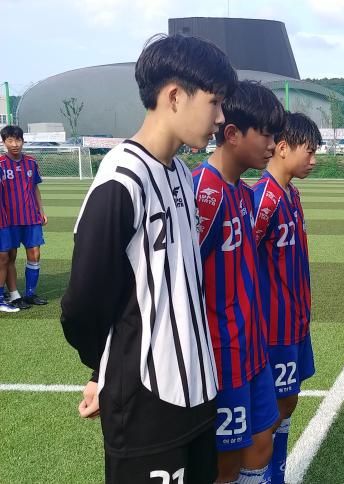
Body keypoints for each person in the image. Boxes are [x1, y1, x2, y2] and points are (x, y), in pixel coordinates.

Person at [60, 34, 237, 484]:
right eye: (215, 103)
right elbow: (83, 304)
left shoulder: (179, 170)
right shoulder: (122, 180)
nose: (220, 119)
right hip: (146, 404)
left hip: (199, 392)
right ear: (174, 96)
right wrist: (105, 371)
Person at [193, 80, 284, 482]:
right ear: (232, 134)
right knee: (224, 463)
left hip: (253, 349)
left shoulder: (243, 194)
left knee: (261, 441)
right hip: (221, 357)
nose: (272, 145)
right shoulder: (203, 194)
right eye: (266, 133)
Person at [252, 112, 320, 484]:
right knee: (272, 408)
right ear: (282, 148)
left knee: (289, 400)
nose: (314, 160)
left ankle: (275, 472)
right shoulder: (263, 198)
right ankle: (264, 475)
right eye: (308, 152)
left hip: (294, 323)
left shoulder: (290, 193)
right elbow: (241, 261)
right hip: (272, 328)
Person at [0, 125, 48, 308]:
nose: (15, 144)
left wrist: (41, 211)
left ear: (23, 141)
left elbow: (35, 187)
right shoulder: (1, 164)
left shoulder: (31, 162)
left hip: (30, 216)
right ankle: (14, 294)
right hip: (8, 218)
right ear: (4, 142)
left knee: (35, 254)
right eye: (10, 140)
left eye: (18, 140)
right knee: (9, 257)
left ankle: (30, 293)